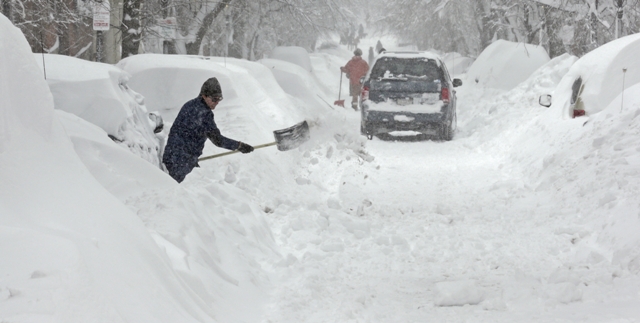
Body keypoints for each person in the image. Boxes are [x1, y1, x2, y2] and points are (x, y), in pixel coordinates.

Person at [162, 77, 254, 183]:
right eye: (214, 99)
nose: (217, 102)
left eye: (219, 99)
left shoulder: (191, 105)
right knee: (183, 194)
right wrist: (239, 146)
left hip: (174, 156)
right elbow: (218, 140)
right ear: (204, 95)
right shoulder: (204, 114)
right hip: (180, 163)